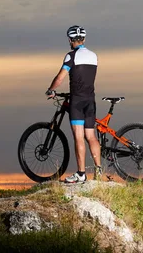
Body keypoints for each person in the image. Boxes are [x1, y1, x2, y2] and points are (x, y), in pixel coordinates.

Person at [45, 25, 102, 184]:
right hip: (90, 100)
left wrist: (51, 89)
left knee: (79, 137)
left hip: (77, 101)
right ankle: (99, 170)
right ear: (84, 39)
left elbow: (60, 78)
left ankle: (81, 174)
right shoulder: (93, 56)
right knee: (91, 136)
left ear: (70, 40)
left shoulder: (71, 56)